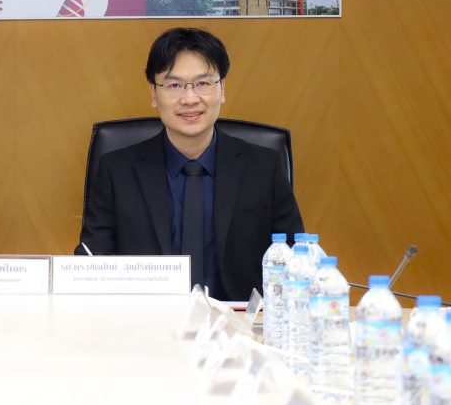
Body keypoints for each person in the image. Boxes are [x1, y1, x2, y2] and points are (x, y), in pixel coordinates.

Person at [77, 27, 304, 301]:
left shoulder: (264, 168)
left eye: (203, 83)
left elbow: (296, 263)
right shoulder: (116, 172)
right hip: (147, 320)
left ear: (222, 90)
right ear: (153, 94)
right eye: (174, 85)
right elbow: (92, 264)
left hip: (242, 322)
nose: (190, 99)